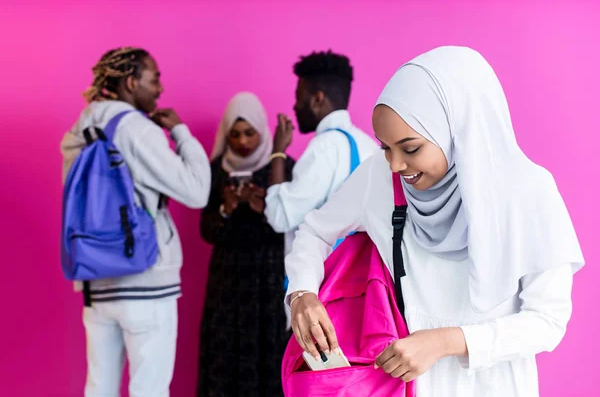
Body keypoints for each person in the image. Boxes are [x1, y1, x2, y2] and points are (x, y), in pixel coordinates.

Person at [284, 46, 584, 396]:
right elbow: (314, 231)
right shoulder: (379, 179)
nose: (395, 165)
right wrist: (301, 294)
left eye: (410, 148)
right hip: (410, 386)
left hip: (495, 385)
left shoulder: (529, 192)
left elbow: (548, 322)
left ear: (458, 129)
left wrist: (446, 342)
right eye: (385, 147)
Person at [60, 47, 211, 397]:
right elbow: (197, 190)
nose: (159, 89)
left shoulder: (78, 129)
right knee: (150, 389)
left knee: (99, 387)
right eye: (154, 78)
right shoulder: (135, 129)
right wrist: (181, 133)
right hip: (146, 278)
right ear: (131, 82)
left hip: (95, 283)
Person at [198, 92, 295, 397]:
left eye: (250, 133)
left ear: (262, 131)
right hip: (226, 284)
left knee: (268, 353)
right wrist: (225, 209)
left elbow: (294, 224)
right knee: (222, 356)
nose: (242, 142)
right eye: (235, 134)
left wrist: (264, 208)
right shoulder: (216, 171)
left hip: (267, 281)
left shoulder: (283, 167)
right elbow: (207, 230)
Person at [264, 50, 379, 234]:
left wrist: (278, 152)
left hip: (323, 263)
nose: (295, 105)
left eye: (299, 96)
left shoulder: (324, 148)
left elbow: (279, 217)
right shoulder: (369, 145)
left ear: (317, 99)